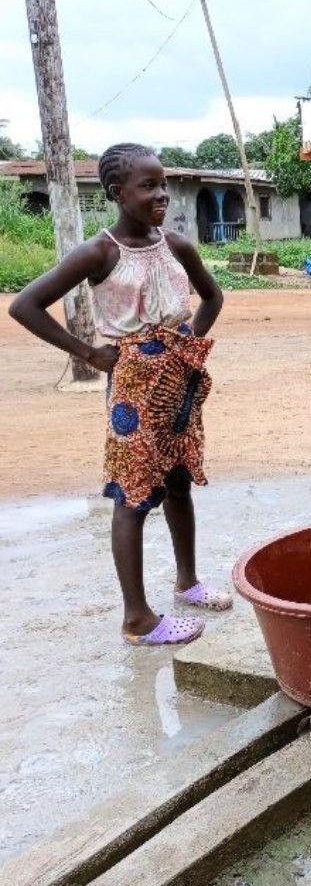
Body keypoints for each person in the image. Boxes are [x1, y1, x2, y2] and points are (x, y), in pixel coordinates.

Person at [9, 143, 229, 646]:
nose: (161, 195)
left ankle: (187, 582)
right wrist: (89, 353)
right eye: (148, 186)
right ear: (116, 194)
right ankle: (137, 618)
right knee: (132, 494)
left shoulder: (177, 245)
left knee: (177, 479)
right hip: (132, 383)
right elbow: (25, 305)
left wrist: (189, 340)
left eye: (163, 184)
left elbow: (213, 296)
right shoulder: (99, 252)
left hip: (178, 378)